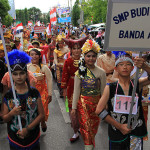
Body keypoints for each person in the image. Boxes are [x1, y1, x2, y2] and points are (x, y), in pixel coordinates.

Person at [95, 53, 150, 150]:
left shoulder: (137, 84)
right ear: (115, 69)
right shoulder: (110, 87)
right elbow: (99, 110)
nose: (125, 67)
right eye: (121, 64)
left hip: (135, 132)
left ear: (133, 67)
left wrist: (145, 66)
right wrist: (119, 126)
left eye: (128, 64)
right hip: (116, 133)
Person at [2, 50, 45, 150]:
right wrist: (12, 113)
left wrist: (28, 129)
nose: (19, 77)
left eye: (21, 73)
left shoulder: (34, 92)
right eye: (15, 74)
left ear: (26, 74)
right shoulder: (9, 95)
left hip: (32, 136)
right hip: (14, 138)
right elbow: (4, 118)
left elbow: (41, 114)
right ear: (11, 75)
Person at [71, 39, 106, 150]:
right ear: (84, 57)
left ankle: (90, 144)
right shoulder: (79, 72)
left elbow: (104, 91)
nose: (91, 59)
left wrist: (105, 105)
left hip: (96, 105)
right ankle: (88, 147)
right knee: (86, 127)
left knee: (93, 128)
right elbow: (76, 91)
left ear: (96, 57)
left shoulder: (101, 72)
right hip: (83, 105)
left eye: (93, 56)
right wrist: (74, 108)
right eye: (88, 56)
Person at [61, 36, 88, 143]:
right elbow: (64, 76)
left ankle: (83, 128)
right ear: (71, 50)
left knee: (84, 108)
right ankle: (75, 131)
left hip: (84, 86)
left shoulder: (85, 60)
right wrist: (63, 89)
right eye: (74, 48)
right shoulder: (67, 61)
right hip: (71, 87)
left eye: (78, 48)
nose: (76, 50)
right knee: (72, 109)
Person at [27, 48, 52, 132]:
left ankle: (43, 122)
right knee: (32, 109)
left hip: (42, 93)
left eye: (36, 54)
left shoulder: (44, 67)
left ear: (40, 56)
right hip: (30, 92)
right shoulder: (27, 67)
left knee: (43, 109)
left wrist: (50, 93)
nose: (34, 56)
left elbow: (49, 80)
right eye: (32, 54)